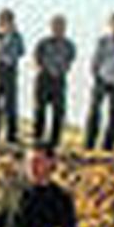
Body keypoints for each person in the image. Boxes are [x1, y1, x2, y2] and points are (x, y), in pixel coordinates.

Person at [84, 12, 114, 152]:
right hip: (101, 78)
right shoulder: (103, 41)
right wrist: (97, 76)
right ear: (110, 25)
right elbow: (96, 59)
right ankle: (89, 142)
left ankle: (109, 145)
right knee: (94, 111)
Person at [31, 15, 76, 147]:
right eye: (56, 26)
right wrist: (46, 70)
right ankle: (37, 137)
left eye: (61, 26)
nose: (59, 29)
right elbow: (37, 59)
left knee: (58, 111)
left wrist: (60, 71)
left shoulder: (69, 45)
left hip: (59, 80)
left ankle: (55, 141)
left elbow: (69, 61)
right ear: (51, 27)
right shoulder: (43, 43)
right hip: (43, 79)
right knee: (40, 110)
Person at [0, 9, 24, 143]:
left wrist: (12, 35)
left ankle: (11, 134)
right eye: (5, 21)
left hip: (11, 70)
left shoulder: (17, 36)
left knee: (11, 103)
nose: (8, 23)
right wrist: (6, 36)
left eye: (10, 20)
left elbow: (21, 51)